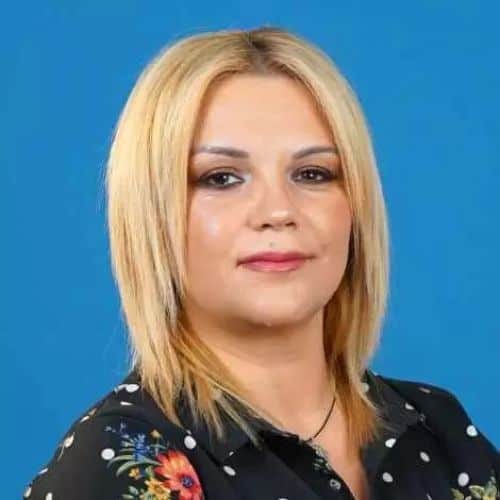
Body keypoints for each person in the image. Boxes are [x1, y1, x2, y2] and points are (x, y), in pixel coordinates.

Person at [23, 26, 499, 500]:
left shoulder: (440, 433)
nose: (278, 210)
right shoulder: (115, 467)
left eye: (312, 173)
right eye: (221, 178)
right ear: (152, 214)